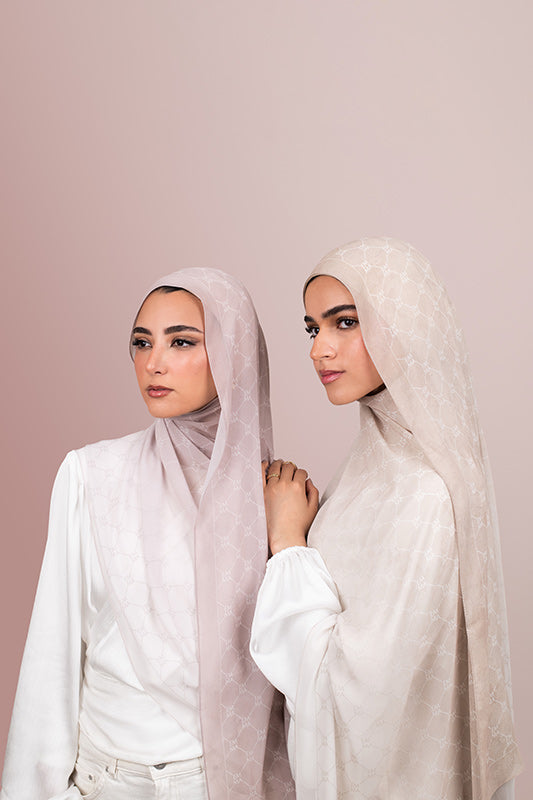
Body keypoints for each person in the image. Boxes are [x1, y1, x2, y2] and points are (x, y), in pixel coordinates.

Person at [1, 268, 294, 800]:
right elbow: (52, 651)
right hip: (107, 781)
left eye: (181, 341)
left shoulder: (276, 496)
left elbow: (294, 672)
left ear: (235, 355)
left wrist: (290, 539)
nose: (153, 362)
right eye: (141, 342)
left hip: (219, 783)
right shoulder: (92, 475)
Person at [250, 238, 521, 799]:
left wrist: (289, 542)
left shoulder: (427, 493)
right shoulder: (374, 463)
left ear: (405, 328)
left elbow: (360, 697)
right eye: (312, 329)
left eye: (345, 323)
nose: (318, 349)